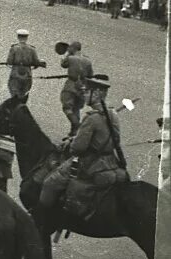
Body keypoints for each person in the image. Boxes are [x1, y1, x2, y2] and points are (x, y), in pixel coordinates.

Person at [39, 75, 123, 211]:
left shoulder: (91, 118)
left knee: (50, 183)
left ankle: (43, 216)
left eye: (87, 91)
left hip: (92, 164)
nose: (84, 95)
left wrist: (70, 143)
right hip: (111, 161)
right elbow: (115, 140)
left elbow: (77, 149)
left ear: (96, 94)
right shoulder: (113, 114)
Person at [60, 41, 93, 136]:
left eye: (69, 48)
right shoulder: (88, 60)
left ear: (73, 48)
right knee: (76, 109)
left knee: (67, 107)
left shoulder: (71, 58)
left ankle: (77, 126)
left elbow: (63, 64)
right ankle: (74, 132)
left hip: (71, 85)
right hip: (82, 88)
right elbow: (90, 75)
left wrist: (67, 54)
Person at [6, 29, 45, 100]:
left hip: (15, 74)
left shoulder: (14, 48)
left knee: (14, 96)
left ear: (18, 37)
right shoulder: (32, 49)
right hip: (27, 75)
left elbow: (9, 62)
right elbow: (36, 62)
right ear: (27, 37)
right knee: (24, 95)